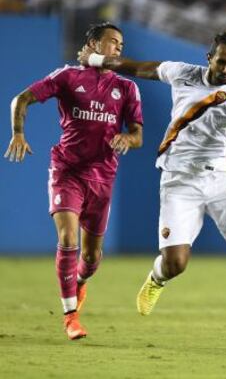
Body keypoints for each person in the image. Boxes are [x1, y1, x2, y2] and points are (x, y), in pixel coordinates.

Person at [78, 31, 226, 352]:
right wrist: (94, 59)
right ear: (210, 57)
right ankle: (157, 278)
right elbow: (137, 67)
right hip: (179, 181)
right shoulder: (183, 73)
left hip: (221, 178)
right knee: (176, 263)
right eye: (222, 61)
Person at [4, 22, 143, 340]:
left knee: (91, 259)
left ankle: (80, 282)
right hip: (67, 171)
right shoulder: (67, 76)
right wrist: (18, 133)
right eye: (112, 42)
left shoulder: (127, 88)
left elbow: (138, 135)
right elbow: (21, 99)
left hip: (103, 178)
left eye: (121, 44)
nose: (118, 47)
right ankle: (70, 317)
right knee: (68, 238)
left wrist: (127, 138)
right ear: (94, 44)